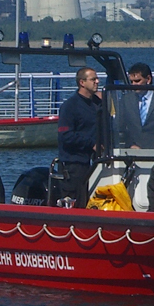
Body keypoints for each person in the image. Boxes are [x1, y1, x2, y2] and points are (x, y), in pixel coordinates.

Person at [55, 66, 103, 207]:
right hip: (74, 165)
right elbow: (66, 135)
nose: (97, 82)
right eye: (93, 79)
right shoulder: (70, 106)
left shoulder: (97, 104)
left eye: (97, 79)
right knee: (77, 203)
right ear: (82, 82)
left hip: (96, 162)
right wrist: (91, 143)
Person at [115, 62, 154, 153]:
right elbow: (119, 127)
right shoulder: (126, 100)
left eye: (137, 81)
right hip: (134, 152)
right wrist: (130, 145)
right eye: (131, 81)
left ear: (148, 79)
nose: (133, 85)